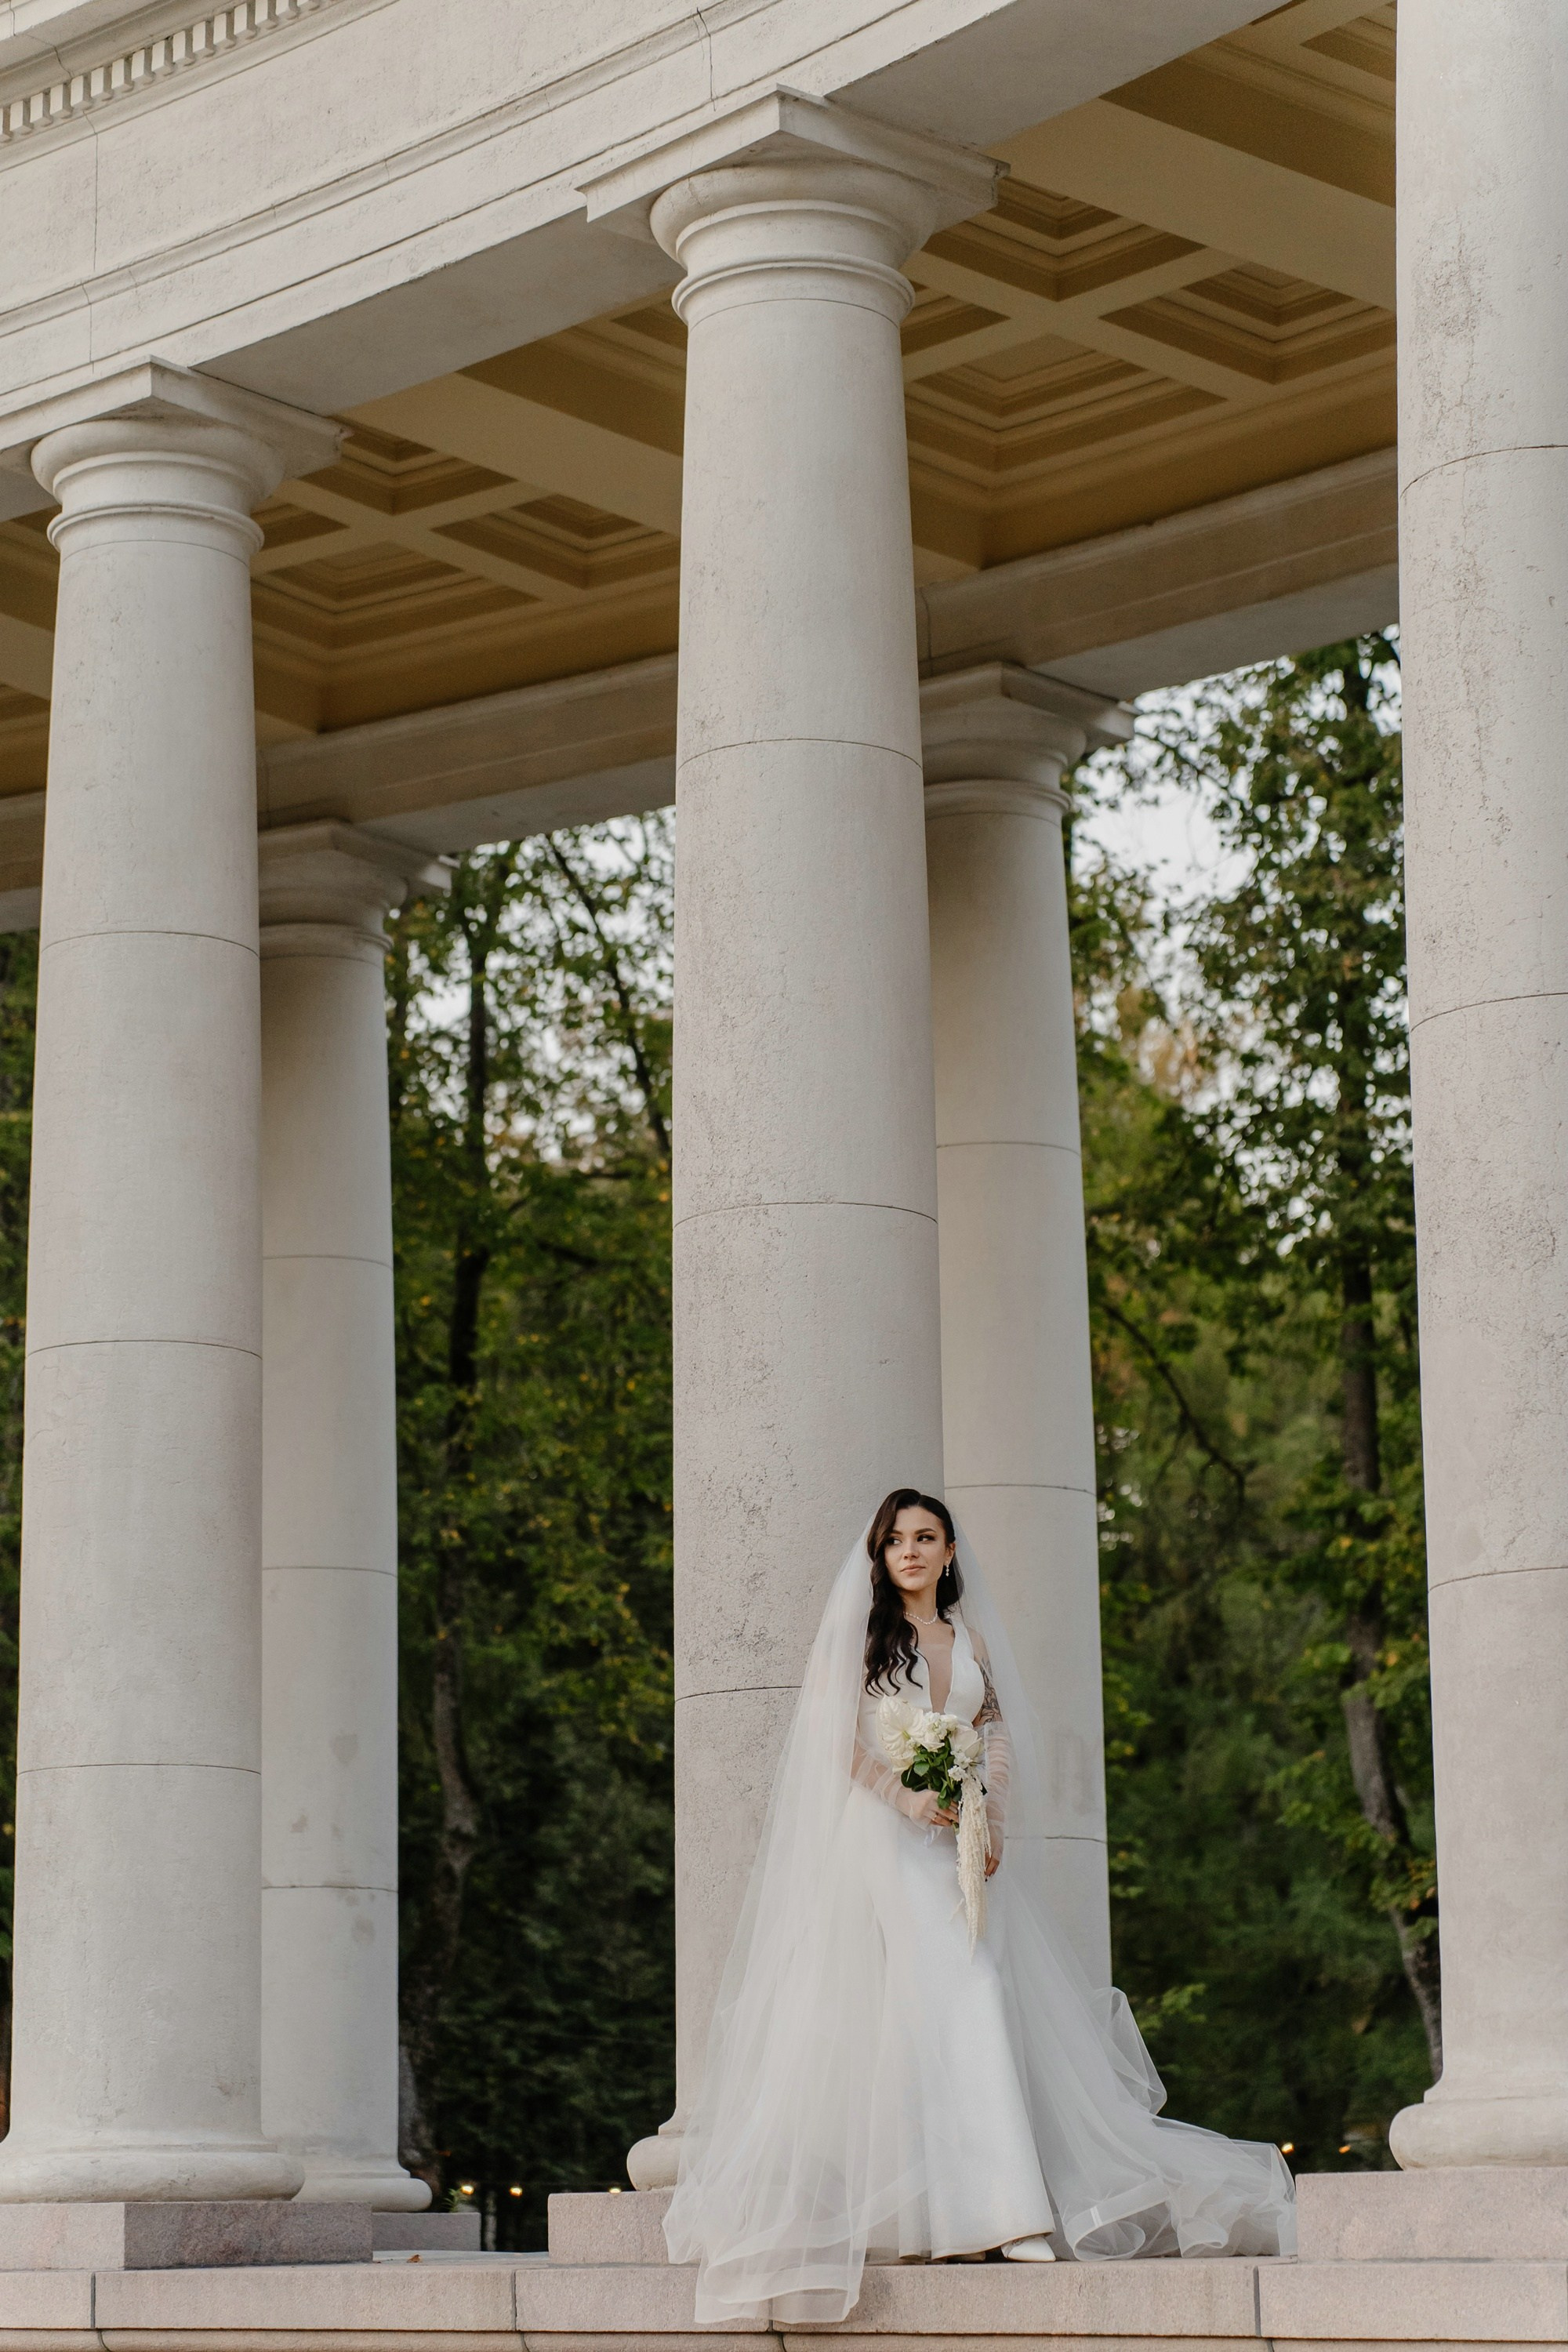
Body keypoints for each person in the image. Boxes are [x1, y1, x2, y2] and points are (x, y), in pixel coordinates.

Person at [663, 1488, 1295, 2324]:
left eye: (925, 1537)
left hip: (957, 1841)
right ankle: (999, 2215)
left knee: (968, 1996)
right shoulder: (863, 1638)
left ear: (950, 1550)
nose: (911, 1552)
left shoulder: (967, 1638)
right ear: (880, 1557)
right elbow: (832, 1741)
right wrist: (905, 1797)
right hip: (885, 1842)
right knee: (957, 1995)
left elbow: (990, 1726)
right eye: (895, 1541)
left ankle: (959, 2217)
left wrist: (986, 1810)